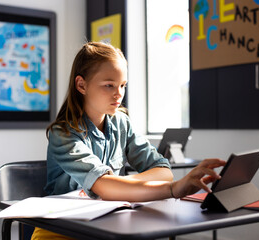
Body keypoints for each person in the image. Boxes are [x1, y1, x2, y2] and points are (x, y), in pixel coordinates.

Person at [31, 42, 225, 240]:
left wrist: (119, 185)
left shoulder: (121, 122)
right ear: (81, 85)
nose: (119, 94)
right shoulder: (63, 132)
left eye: (123, 85)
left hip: (106, 223)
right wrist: (173, 189)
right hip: (60, 228)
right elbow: (103, 186)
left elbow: (163, 171)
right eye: (109, 85)